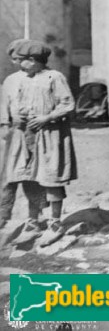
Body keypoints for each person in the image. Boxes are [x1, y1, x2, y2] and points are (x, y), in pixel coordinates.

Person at [6, 40, 77, 247]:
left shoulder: (54, 77)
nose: (20, 65)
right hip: (28, 136)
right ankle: (33, 221)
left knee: (51, 177)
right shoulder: (25, 79)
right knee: (30, 178)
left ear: (33, 60)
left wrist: (47, 117)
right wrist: (16, 115)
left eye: (22, 61)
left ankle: (55, 223)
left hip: (51, 135)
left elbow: (68, 104)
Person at [0, 39, 45, 230]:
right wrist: (6, 125)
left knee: (33, 177)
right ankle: (2, 217)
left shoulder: (46, 78)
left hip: (37, 134)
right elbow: (4, 106)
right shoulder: (11, 80)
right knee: (8, 178)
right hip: (14, 135)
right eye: (15, 59)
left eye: (20, 58)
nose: (17, 63)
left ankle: (34, 218)